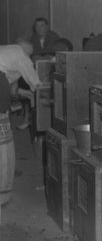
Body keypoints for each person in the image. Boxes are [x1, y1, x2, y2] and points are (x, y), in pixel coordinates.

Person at [0, 39, 41, 205]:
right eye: (29, 55)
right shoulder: (19, 53)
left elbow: (12, 87)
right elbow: (34, 80)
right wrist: (40, 89)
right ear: (26, 51)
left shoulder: (6, 51)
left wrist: (25, 93)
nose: (28, 58)